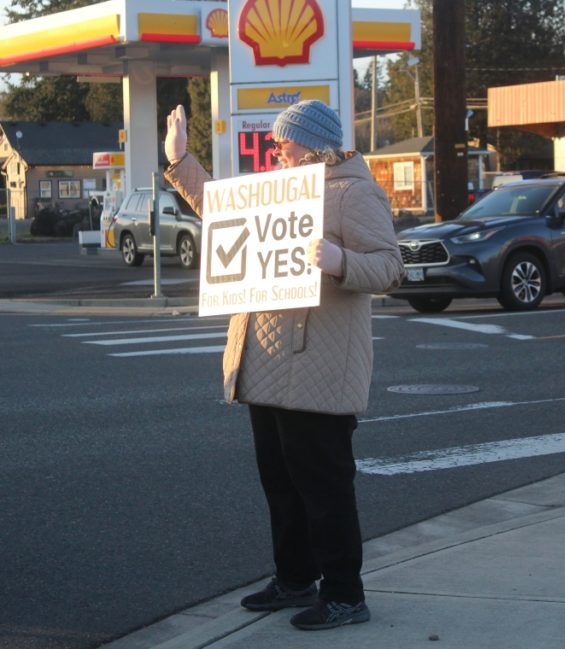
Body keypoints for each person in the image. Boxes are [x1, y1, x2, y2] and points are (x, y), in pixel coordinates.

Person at [163, 100, 404, 630]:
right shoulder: (282, 187)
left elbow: (390, 267)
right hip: (267, 359)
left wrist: (341, 263)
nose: (277, 152)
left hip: (318, 365)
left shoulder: (353, 191)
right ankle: (295, 579)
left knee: (324, 486)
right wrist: (181, 162)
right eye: (276, 144)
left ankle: (344, 594)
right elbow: (223, 213)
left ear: (316, 144)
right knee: (281, 480)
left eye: (284, 143)